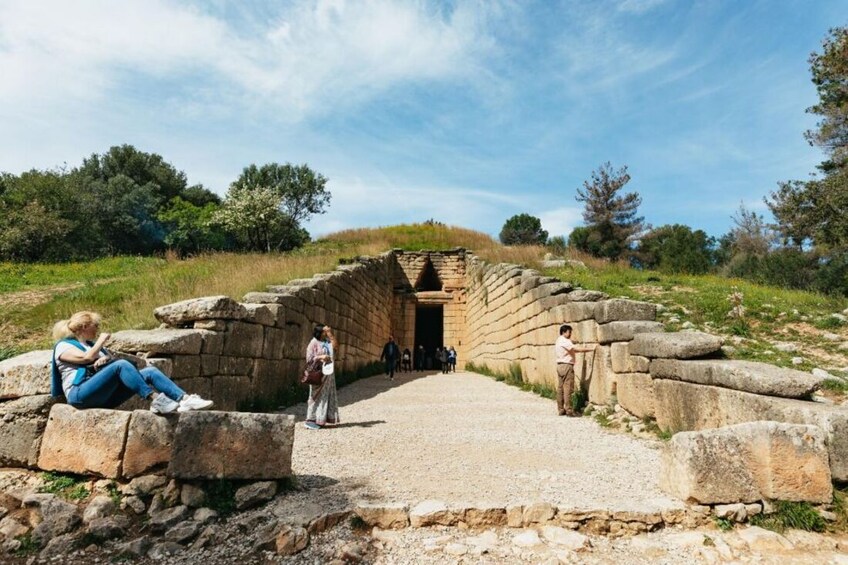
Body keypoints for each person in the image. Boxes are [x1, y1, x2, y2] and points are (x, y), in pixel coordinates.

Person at [51, 311, 213, 414]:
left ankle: (184, 399)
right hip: (80, 395)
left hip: (104, 396)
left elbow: (106, 366)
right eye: (96, 326)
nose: (98, 329)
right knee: (120, 365)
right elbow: (85, 359)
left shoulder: (92, 347)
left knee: (150, 372)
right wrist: (101, 342)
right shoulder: (63, 346)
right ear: (85, 326)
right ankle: (156, 399)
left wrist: (105, 359)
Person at [305, 324, 340, 429]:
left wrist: (330, 334)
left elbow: (336, 347)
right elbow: (309, 358)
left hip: (328, 374)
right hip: (318, 374)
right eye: (325, 332)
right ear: (320, 332)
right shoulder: (313, 343)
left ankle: (321, 419)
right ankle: (310, 419)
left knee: (325, 397)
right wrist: (321, 357)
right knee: (314, 397)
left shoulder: (327, 342)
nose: (326, 333)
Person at [555, 324, 594, 416]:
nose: (570, 334)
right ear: (564, 332)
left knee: (560, 389)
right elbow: (576, 349)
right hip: (567, 366)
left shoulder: (559, 340)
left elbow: (572, 350)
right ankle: (569, 410)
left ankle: (561, 409)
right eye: (569, 332)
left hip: (560, 366)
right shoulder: (565, 341)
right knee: (568, 388)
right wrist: (590, 349)